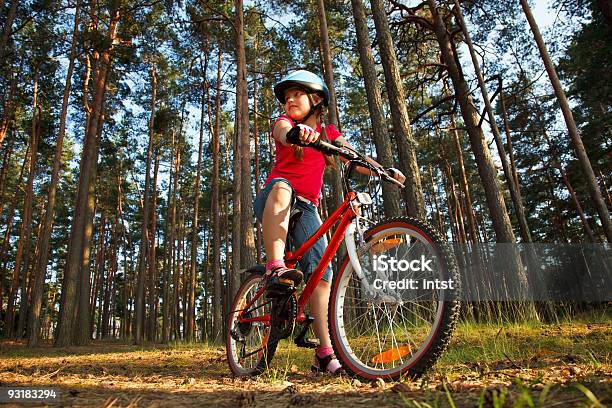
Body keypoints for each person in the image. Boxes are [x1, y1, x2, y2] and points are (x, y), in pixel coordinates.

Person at [253, 70, 406, 375]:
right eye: (286, 97)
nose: (289, 101)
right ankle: (274, 266)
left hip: (307, 207)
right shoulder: (286, 124)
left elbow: (351, 155)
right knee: (284, 187)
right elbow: (283, 131)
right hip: (276, 197)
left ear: (316, 99)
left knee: (322, 272)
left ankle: (324, 353)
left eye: (297, 94)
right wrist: (297, 134)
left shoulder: (329, 132)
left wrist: (380, 169)